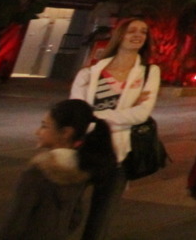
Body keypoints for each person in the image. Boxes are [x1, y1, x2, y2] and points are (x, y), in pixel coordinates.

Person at [70, 17, 161, 240]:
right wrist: (122, 113)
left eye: (143, 32)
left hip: (118, 156)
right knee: (67, 214)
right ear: (119, 34)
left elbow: (140, 114)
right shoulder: (90, 73)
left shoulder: (149, 72)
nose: (138, 35)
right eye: (132, 31)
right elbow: (76, 113)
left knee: (99, 225)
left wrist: (94, 116)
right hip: (84, 150)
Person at [0, 98, 117, 240]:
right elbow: (75, 217)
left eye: (44, 126)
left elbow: (15, 221)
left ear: (66, 132)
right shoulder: (80, 171)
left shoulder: (36, 173)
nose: (38, 132)